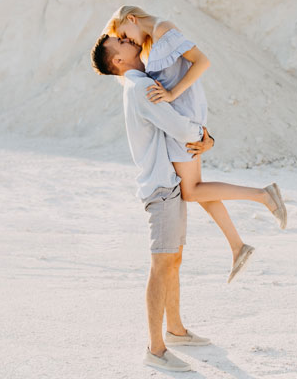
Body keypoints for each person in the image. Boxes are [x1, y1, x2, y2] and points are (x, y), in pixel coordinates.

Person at [101, 6, 287, 283]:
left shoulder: (163, 29)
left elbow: (202, 61)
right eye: (123, 40)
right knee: (195, 189)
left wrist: (172, 94)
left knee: (192, 190)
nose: (129, 40)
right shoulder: (153, 40)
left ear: (131, 19)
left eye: (125, 34)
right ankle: (238, 246)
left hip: (182, 118)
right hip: (181, 117)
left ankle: (263, 196)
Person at [91, 35, 211, 371]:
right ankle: (155, 349)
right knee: (161, 265)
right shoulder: (140, 88)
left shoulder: (141, 84)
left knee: (174, 259)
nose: (132, 41)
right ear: (118, 61)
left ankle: (175, 330)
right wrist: (205, 138)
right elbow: (179, 128)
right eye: (124, 42)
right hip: (160, 186)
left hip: (167, 182)